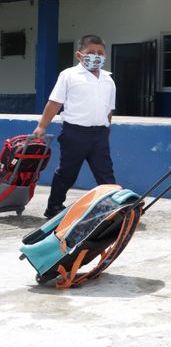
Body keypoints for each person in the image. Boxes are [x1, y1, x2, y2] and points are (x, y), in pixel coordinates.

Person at [34, 34, 116, 219]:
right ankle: (54, 207)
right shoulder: (69, 75)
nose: (96, 56)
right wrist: (42, 126)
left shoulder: (108, 79)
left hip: (100, 135)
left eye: (100, 53)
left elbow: (109, 110)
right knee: (67, 172)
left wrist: (106, 131)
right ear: (79, 55)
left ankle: (112, 208)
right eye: (91, 52)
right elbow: (54, 102)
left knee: (105, 174)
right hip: (75, 133)